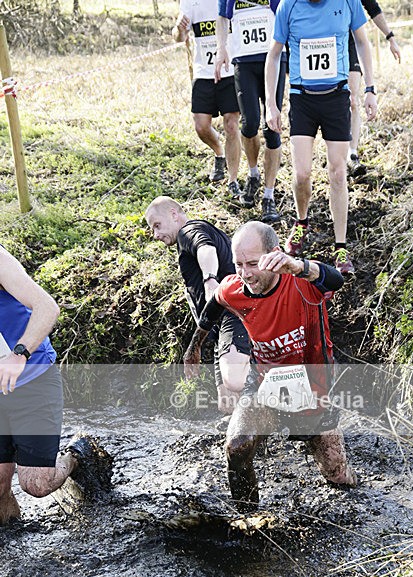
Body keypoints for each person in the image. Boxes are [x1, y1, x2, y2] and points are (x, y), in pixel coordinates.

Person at [184, 221, 356, 512]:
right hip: (264, 383)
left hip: (315, 388)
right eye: (239, 264)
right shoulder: (236, 288)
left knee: (337, 476)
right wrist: (194, 346)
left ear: (273, 255)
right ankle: (250, 522)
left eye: (252, 263)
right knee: (237, 446)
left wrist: (298, 265)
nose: (245, 273)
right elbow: (214, 303)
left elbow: (335, 281)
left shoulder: (302, 281)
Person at [0, 245, 112, 525]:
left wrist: (19, 354)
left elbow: (47, 307)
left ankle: (77, 454)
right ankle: (14, 554)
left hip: (31, 376)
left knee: (36, 484)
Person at [265, 0, 378, 274]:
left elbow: (363, 42)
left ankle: (340, 246)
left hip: (337, 97)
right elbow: (274, 54)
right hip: (302, 98)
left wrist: (370, 88)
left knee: (338, 174)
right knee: (302, 174)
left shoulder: (348, 2)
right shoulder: (288, 6)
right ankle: (302, 223)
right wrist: (271, 104)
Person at [145, 196, 250, 411]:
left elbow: (206, 250)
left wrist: (210, 280)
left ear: (174, 214)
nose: (155, 235)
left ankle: (280, 398)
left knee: (235, 380)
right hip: (220, 324)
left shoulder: (188, 231)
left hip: (234, 313)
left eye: (157, 225)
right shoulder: (190, 237)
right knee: (227, 405)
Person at [215, 0, 286, 223]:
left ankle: (269, 196)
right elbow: (222, 17)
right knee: (249, 123)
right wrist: (221, 48)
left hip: (273, 57)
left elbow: (287, 13)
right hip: (244, 61)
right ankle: (253, 173)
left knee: (271, 127)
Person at [172, 0, 242, 198]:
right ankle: (219, 151)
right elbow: (178, 37)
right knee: (201, 126)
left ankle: (233, 180)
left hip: (229, 70)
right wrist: (179, 29)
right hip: (204, 72)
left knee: (231, 125)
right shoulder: (190, 2)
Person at [348, 2, 400, 175]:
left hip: (350, 41)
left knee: (352, 100)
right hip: (324, 41)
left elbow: (373, 8)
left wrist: (390, 37)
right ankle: (335, 148)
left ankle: (352, 154)